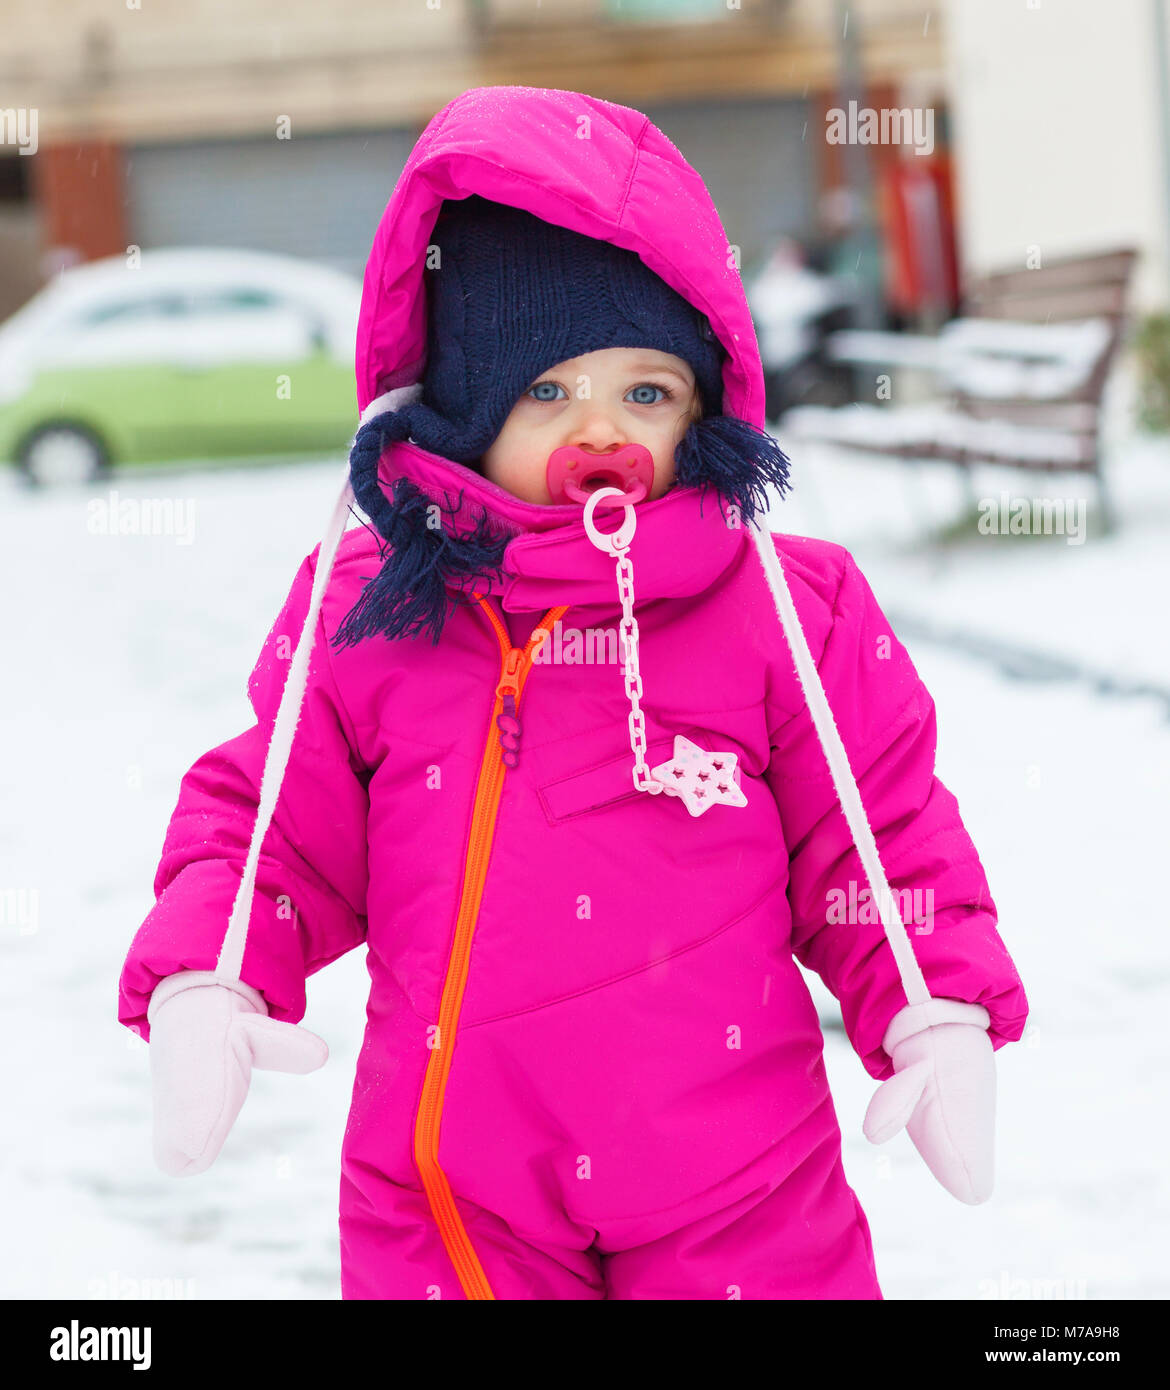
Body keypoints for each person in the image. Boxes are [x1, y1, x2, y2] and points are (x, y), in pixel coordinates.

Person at [117, 86, 1029, 1301]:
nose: (600, 426)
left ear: (705, 408)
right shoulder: (372, 609)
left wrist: (935, 1006)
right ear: (460, 410)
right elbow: (270, 826)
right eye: (546, 392)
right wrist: (210, 973)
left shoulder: (780, 609)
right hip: (449, 1185)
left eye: (646, 392)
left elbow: (879, 831)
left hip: (743, 1184)